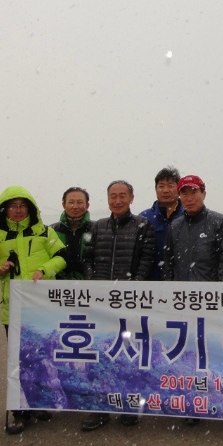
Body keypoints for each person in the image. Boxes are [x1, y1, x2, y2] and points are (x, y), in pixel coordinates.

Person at [0, 186, 67, 435]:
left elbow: (62, 256)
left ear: (30, 208)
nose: (18, 210)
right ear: (4, 210)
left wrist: (44, 269)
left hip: (41, 308)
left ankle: (37, 403)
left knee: (41, 358)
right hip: (13, 309)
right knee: (19, 361)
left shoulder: (44, 232)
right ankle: (20, 412)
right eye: (12, 206)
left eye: (22, 205)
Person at [79, 180, 157, 431]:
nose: (117, 200)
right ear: (107, 199)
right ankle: (98, 409)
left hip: (130, 304)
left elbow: (147, 259)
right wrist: (92, 282)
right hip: (100, 304)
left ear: (131, 198)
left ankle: (128, 406)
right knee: (99, 355)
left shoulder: (144, 225)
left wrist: (135, 285)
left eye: (122, 195)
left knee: (128, 356)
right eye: (113, 196)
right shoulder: (96, 226)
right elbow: (87, 257)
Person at [162, 174, 223, 426]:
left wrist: (220, 294)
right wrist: (170, 294)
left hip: (210, 302)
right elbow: (168, 263)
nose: (189, 197)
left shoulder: (218, 221)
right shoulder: (175, 225)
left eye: (194, 192)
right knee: (188, 355)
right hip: (182, 302)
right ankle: (192, 405)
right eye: (185, 193)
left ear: (203, 193)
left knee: (213, 354)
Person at [139, 166, 184, 280]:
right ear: (155, 189)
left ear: (179, 189)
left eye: (170, 186)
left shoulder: (188, 216)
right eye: (161, 186)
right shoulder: (144, 218)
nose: (165, 190)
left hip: (182, 283)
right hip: (150, 282)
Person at [50, 187, 92, 280]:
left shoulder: (96, 229)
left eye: (80, 202)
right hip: (57, 285)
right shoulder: (52, 231)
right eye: (71, 202)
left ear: (87, 205)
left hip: (89, 285)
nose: (75, 206)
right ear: (64, 205)